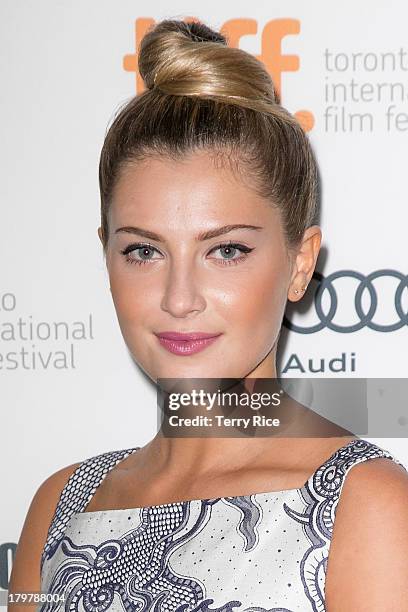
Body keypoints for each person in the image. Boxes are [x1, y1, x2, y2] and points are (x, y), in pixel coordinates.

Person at [9, 18, 408, 612]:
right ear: (106, 255)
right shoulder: (61, 506)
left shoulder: (367, 507)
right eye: (143, 251)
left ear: (301, 263)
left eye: (226, 250)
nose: (178, 297)